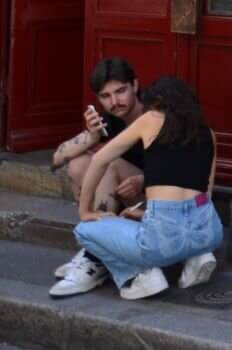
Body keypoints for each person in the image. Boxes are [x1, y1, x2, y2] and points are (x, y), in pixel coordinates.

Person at [50, 76, 221, 300]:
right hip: (209, 232)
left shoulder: (152, 118)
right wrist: (145, 214)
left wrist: (85, 212)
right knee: (171, 230)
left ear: (156, 103)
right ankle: (196, 255)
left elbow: (99, 160)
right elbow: (205, 194)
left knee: (85, 231)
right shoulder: (208, 133)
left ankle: (138, 276)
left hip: (162, 241)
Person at [48, 58, 147, 281]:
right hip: (124, 195)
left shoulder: (154, 116)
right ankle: (98, 248)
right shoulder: (111, 120)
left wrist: (143, 180)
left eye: (121, 91)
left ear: (135, 85)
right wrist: (92, 135)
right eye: (105, 96)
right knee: (78, 163)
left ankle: (95, 254)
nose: (114, 102)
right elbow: (56, 159)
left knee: (108, 162)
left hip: (157, 199)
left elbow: (179, 168)